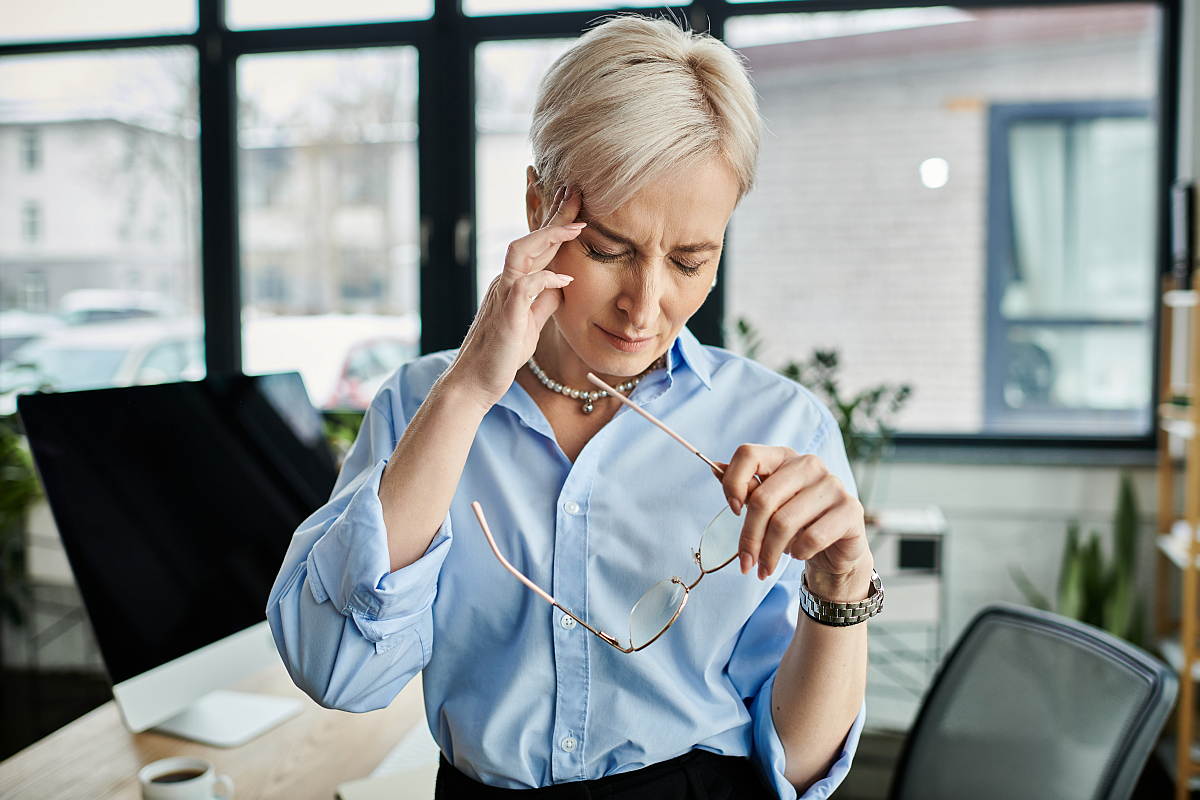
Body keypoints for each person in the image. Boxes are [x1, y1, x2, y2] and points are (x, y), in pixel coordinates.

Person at [266, 13, 878, 800]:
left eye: (692, 260)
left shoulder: (785, 426)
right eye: (609, 249)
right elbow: (334, 672)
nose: (645, 307)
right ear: (537, 207)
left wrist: (842, 585)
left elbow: (795, 767)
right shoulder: (419, 407)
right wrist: (467, 395)